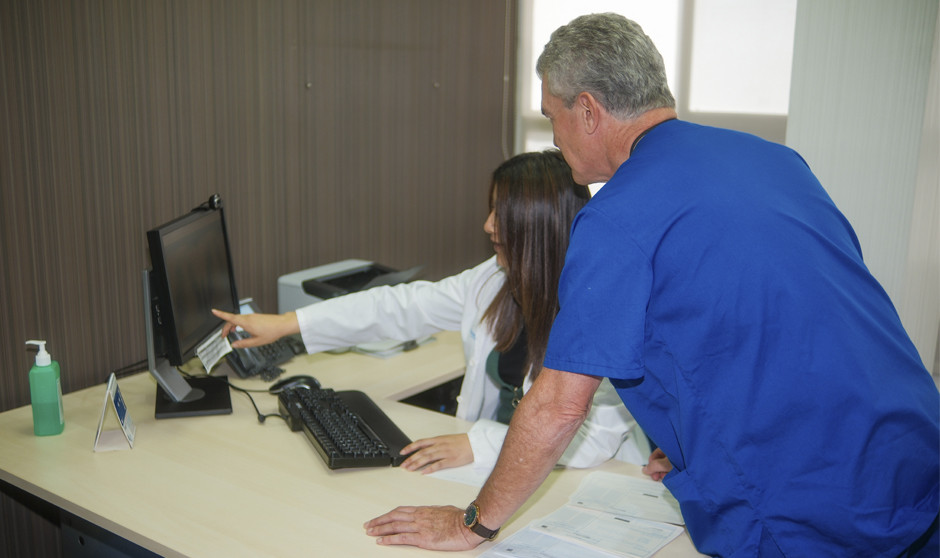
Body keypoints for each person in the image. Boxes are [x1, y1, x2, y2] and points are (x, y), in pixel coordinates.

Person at [363, 13, 940, 557]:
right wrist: (691, 437)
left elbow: (561, 404)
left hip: (815, 503)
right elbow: (798, 312)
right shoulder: (775, 160)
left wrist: (474, 522)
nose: (554, 137)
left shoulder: (618, 214)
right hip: (910, 447)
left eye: (552, 115)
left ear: (586, 110)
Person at [213, 149, 649, 475]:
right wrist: (288, 323)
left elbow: (591, 443)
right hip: (492, 467)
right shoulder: (493, 282)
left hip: (587, 482)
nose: (488, 226)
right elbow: (400, 306)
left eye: (502, 213)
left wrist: (480, 443)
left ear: (539, 225)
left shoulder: (599, 310)